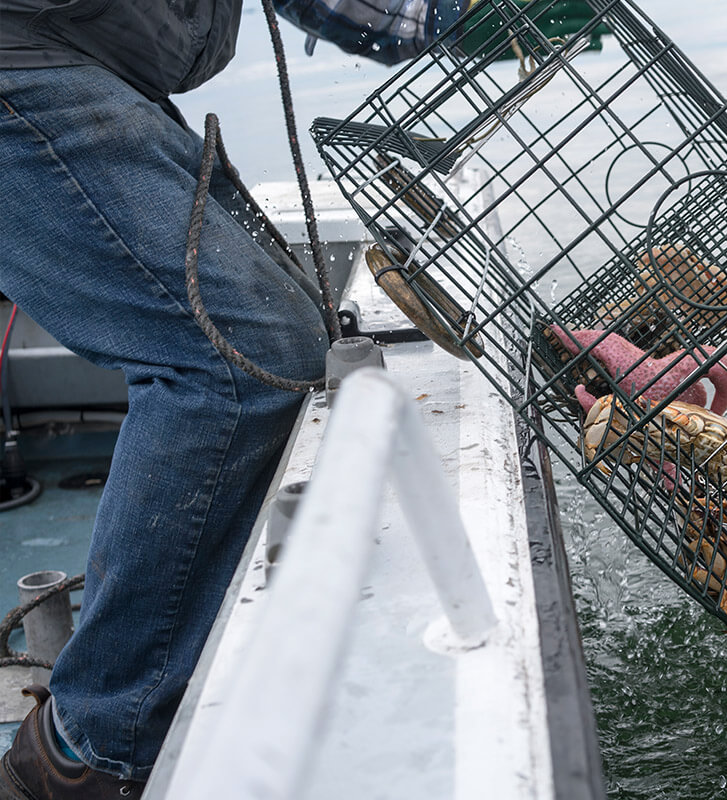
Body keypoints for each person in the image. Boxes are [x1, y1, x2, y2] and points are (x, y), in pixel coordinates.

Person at [0, 1, 466, 797]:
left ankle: (178, 653)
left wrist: (455, 19)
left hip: (86, 60)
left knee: (290, 333)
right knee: (237, 356)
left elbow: (363, 13)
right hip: (22, 58)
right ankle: (91, 743)